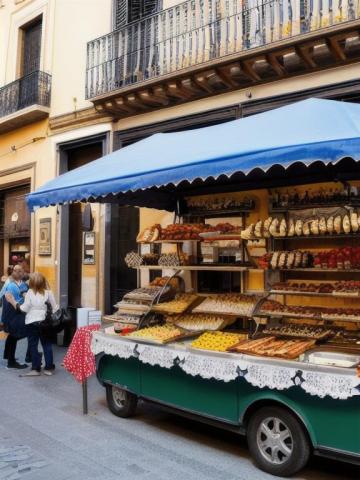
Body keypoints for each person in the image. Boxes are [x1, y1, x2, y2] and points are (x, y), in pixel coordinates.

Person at [6, 272, 59, 377]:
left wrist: (13, 301)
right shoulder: (48, 292)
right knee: (47, 345)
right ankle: (49, 368)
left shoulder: (30, 292)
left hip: (32, 323)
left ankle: (36, 369)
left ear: (33, 283)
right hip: (45, 323)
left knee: (33, 346)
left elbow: (23, 309)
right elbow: (55, 308)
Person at [2, 265, 29, 369]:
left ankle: (9, 357)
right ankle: (11, 361)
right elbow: (13, 301)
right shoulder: (11, 285)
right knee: (16, 335)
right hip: (14, 314)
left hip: (12, 314)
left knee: (12, 335)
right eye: (22, 272)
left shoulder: (15, 283)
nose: (24, 274)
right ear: (18, 272)